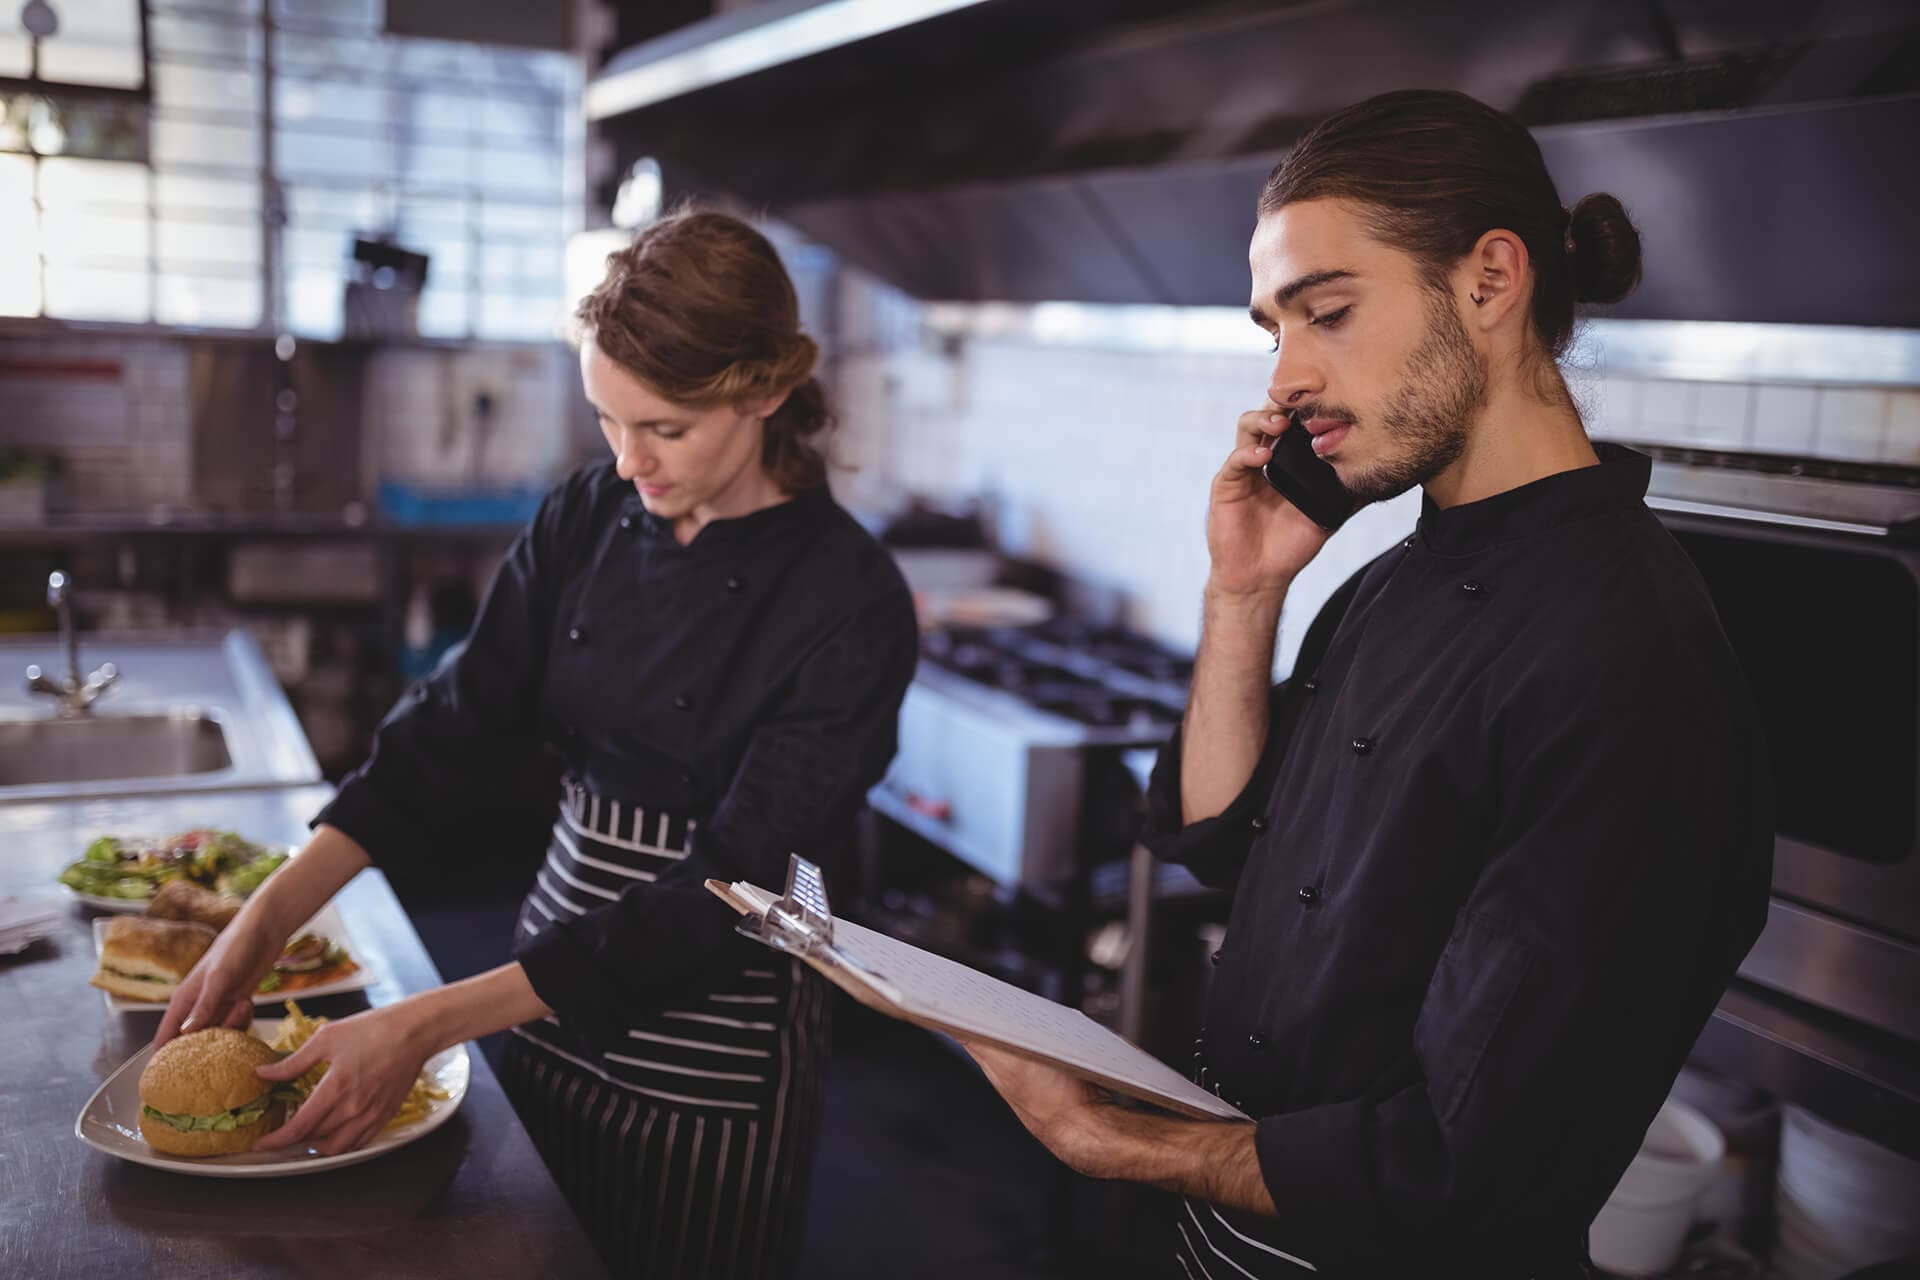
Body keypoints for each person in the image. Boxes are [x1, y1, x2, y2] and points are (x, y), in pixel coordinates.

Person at [961, 89, 1773, 1278]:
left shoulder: (1626, 660)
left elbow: (1465, 1160)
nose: (1286, 378)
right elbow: (1222, 844)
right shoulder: (1384, 580)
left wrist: (1128, 1141)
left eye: (1326, 312)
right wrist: (1242, 597)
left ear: (1491, 281)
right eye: (1271, 331)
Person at [158, 207, 921, 1279]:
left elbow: (733, 889)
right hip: (547, 991)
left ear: (763, 391)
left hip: (715, 1039)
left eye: (663, 428)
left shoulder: (849, 602)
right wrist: (265, 915)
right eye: (607, 420)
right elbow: (453, 725)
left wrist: (430, 1021)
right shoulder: (592, 514)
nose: (629, 461)